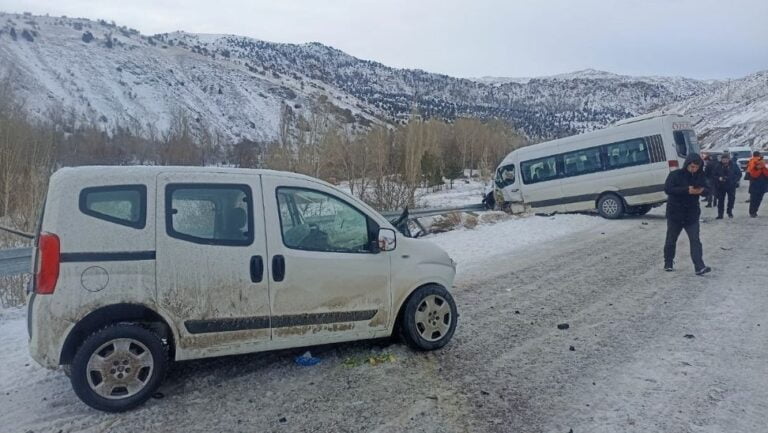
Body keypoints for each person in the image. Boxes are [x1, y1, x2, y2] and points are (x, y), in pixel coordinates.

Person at [663, 153, 711, 275]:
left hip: (691, 215)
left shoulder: (701, 176)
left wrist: (701, 191)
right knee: (671, 240)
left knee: (695, 240)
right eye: (692, 166)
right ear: (687, 164)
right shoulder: (675, 174)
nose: (694, 169)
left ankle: (699, 266)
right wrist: (686, 190)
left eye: (696, 167)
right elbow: (668, 189)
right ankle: (668, 262)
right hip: (675, 214)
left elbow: (709, 190)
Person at [712, 152, 741, 218]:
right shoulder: (718, 166)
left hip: (731, 185)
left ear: (729, 159)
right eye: (723, 159)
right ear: (721, 160)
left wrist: (734, 180)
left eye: (726, 159)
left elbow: (739, 174)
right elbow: (713, 175)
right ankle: (720, 214)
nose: (724, 160)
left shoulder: (734, 165)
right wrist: (719, 178)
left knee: (731, 199)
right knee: (720, 200)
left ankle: (729, 211)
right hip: (721, 186)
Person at [747, 151, 768, 217]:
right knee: (758, 198)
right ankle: (754, 211)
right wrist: (760, 165)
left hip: (755, 182)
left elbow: (751, 172)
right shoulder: (759, 161)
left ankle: (752, 212)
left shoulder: (751, 161)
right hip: (760, 182)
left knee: (754, 198)